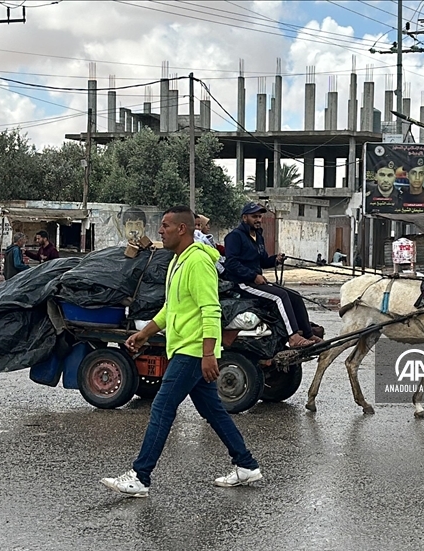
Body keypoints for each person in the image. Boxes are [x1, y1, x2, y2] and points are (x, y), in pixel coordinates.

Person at [101, 206, 262, 497]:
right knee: (211, 409)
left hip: (193, 350)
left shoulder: (197, 262)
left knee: (162, 408)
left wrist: (209, 353)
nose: (160, 231)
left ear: (182, 229)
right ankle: (246, 465)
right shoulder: (178, 262)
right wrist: (143, 334)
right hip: (185, 349)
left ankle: (140, 476)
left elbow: (211, 309)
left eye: (165, 226)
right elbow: (170, 309)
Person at [224, 202, 317, 348]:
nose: (258, 220)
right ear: (244, 218)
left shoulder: (258, 237)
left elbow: (262, 261)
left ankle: (308, 334)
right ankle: (293, 337)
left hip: (256, 281)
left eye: (260, 216)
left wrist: (275, 260)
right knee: (280, 296)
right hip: (242, 284)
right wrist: (253, 276)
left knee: (295, 295)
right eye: (254, 216)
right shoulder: (234, 237)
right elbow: (231, 263)